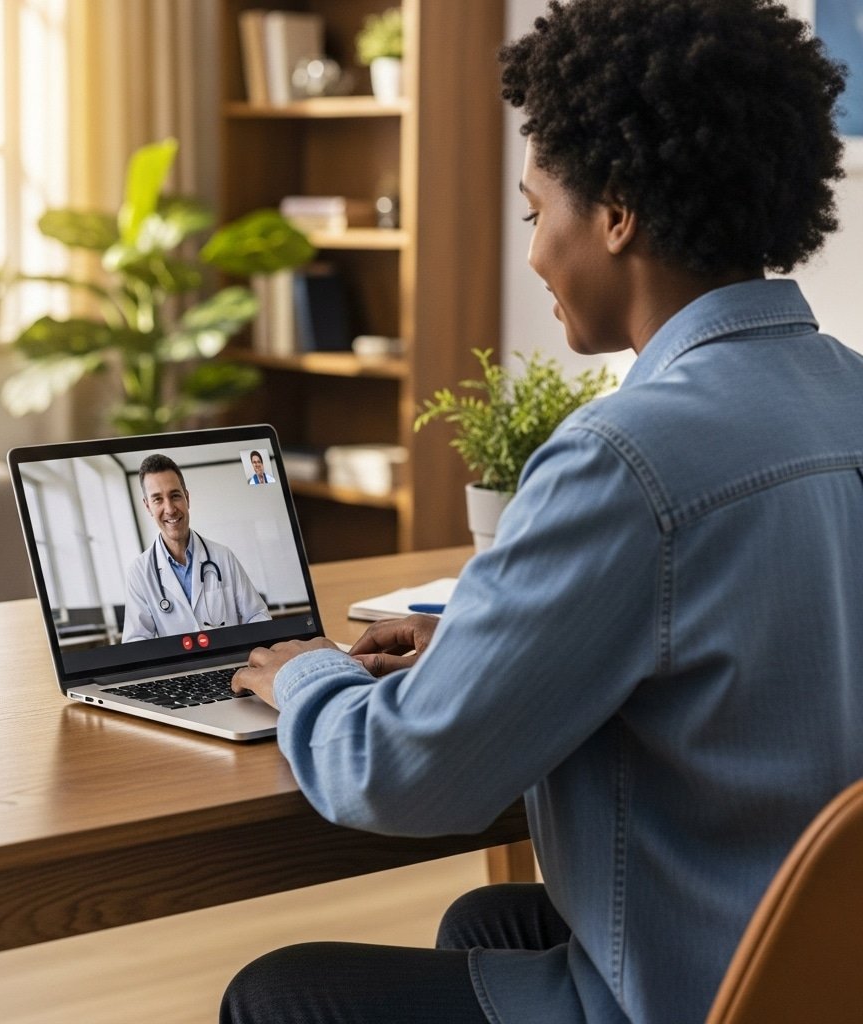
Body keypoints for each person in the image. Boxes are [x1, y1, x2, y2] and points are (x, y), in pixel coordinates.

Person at [220, 1, 863, 1022]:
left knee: (276, 995)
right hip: (820, 958)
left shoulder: (624, 458)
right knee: (487, 922)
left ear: (613, 213)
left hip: (703, 993)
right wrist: (473, 645)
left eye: (532, 212)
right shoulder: (847, 390)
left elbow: (402, 775)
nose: (528, 253)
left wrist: (307, 674)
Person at [122, 454, 270, 641]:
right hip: (177, 667)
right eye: (158, 499)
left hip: (231, 662)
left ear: (187, 498)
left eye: (175, 495)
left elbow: (258, 615)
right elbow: (135, 642)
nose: (169, 509)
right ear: (148, 507)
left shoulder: (222, 557)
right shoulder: (139, 572)